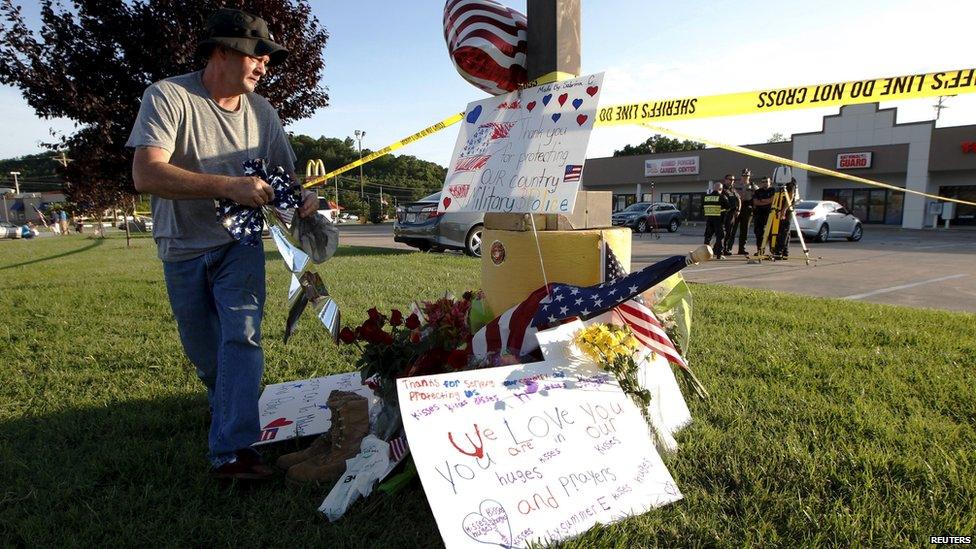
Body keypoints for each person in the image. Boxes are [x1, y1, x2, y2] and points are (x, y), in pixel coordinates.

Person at [127, 8, 317, 481]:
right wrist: (229, 186)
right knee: (210, 358)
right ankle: (225, 407)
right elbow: (146, 173)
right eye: (256, 54)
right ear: (220, 51)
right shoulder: (169, 96)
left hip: (240, 243)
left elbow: (285, 177)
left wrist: (304, 196)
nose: (263, 65)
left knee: (243, 336)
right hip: (182, 246)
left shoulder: (263, 112)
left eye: (267, 59)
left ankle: (233, 453)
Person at [702, 181, 729, 259]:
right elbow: (728, 207)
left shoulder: (706, 197)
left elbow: (702, 207)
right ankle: (718, 255)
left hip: (709, 220)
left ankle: (705, 254)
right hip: (718, 220)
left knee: (707, 237)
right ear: (720, 189)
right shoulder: (722, 197)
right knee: (719, 237)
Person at [731, 169, 754, 255]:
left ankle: (742, 249)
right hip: (736, 207)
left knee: (744, 230)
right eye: (744, 176)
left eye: (747, 176)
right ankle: (728, 248)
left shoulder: (753, 186)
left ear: (749, 176)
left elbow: (755, 197)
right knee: (732, 229)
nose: (745, 178)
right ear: (741, 176)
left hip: (747, 209)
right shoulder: (735, 185)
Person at [752, 176, 775, 255]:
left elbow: (772, 200)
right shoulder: (758, 191)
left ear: (770, 182)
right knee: (759, 233)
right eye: (763, 182)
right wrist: (767, 201)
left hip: (770, 214)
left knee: (771, 233)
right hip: (759, 214)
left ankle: (773, 250)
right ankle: (760, 250)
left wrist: (762, 200)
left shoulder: (773, 190)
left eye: (766, 181)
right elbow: (755, 202)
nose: (764, 183)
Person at [720, 174, 741, 255]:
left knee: (729, 232)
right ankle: (719, 248)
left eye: (733, 180)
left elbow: (738, 199)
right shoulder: (722, 189)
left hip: (732, 214)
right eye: (730, 179)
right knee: (722, 232)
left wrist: (738, 210)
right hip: (724, 213)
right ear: (725, 180)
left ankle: (725, 249)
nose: (732, 181)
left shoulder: (733, 190)